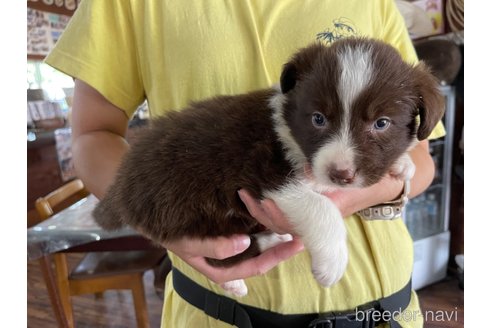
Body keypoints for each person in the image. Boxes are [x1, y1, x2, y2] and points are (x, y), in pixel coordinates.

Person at [45, 1, 445, 327]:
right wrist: (158, 218)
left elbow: (420, 157)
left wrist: (365, 192)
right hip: (219, 310)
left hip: (384, 309)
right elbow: (92, 134)